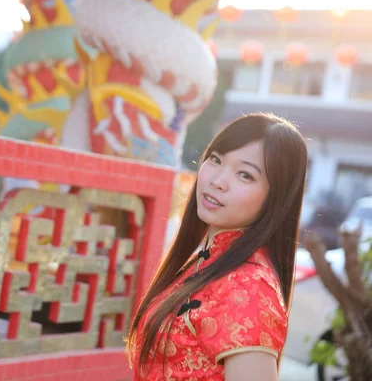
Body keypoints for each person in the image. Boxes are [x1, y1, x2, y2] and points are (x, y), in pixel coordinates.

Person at [126, 113, 308, 381]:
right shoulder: (206, 261)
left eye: (245, 175)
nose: (217, 180)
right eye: (216, 159)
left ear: (275, 198)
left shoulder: (247, 287)